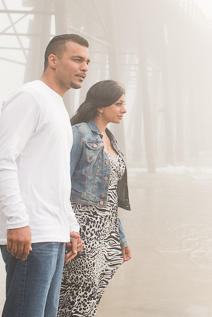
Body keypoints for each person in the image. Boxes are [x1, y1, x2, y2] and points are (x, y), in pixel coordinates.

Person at [0, 34, 90, 317]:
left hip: (52, 232)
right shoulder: (30, 96)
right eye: (77, 59)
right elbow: (1, 162)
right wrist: (18, 221)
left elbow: (55, 176)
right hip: (31, 233)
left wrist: (69, 225)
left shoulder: (57, 104)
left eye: (87, 62)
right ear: (53, 60)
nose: (84, 67)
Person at [58, 80, 131, 317]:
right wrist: (69, 230)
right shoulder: (78, 134)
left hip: (106, 233)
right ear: (101, 106)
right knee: (75, 298)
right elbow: (59, 185)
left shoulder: (110, 139)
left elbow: (110, 196)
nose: (124, 109)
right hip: (83, 229)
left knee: (90, 298)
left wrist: (121, 238)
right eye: (118, 103)